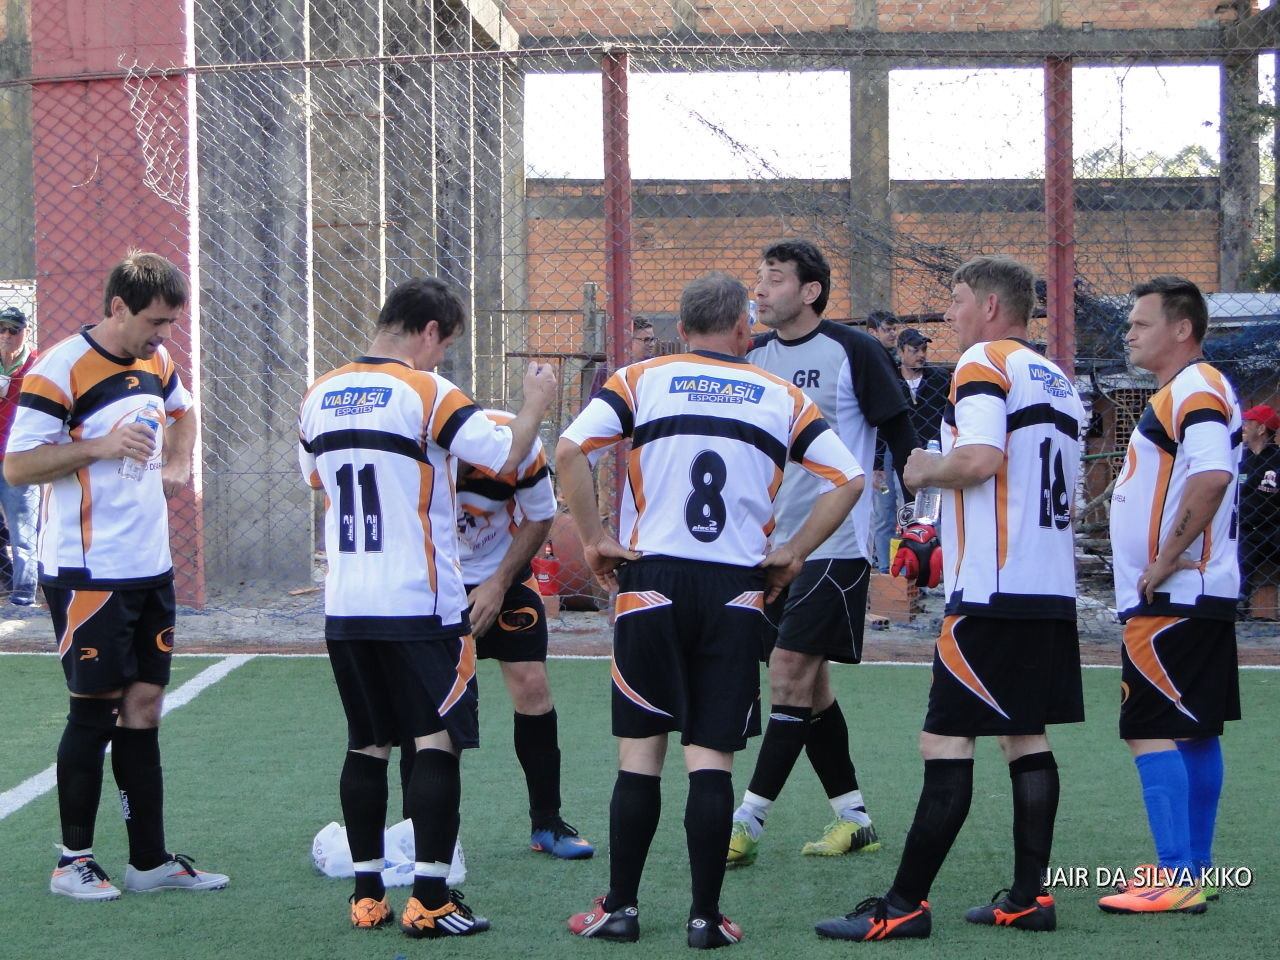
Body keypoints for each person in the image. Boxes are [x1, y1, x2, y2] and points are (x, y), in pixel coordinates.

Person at [557, 272, 864, 948]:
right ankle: (705, 918)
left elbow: (570, 450)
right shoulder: (782, 395)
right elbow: (849, 479)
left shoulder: (640, 379)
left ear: (682, 327)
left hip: (651, 582)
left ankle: (621, 908)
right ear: (743, 330)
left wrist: (594, 537)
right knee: (711, 758)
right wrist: (794, 551)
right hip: (735, 588)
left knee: (640, 754)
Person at [815, 255, 1085, 941]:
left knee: (944, 739)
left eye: (958, 298)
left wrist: (922, 469)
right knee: (1025, 735)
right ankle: (1029, 897)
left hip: (993, 589)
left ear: (991, 306)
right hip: (1048, 585)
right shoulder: (1057, 378)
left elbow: (980, 460)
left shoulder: (984, 361)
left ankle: (904, 905)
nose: (949, 313)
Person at [297, 277, 557, 938]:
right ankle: (432, 899)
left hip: (347, 602)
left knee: (367, 743)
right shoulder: (426, 391)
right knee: (435, 741)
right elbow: (507, 452)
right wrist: (535, 403)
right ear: (430, 330)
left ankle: (367, 895)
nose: (442, 359)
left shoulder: (318, 394)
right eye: (445, 346)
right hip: (420, 601)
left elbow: (317, 479)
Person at [5, 251, 227, 900]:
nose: (163, 335)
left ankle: (149, 862)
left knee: (145, 705)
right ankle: (72, 862)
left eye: (171, 323)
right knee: (95, 708)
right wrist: (100, 446)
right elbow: (17, 466)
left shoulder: (156, 360)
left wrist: (179, 465)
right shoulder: (59, 368)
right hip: (87, 571)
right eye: (155, 321)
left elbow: (185, 411)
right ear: (118, 307)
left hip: (148, 567)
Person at [728, 241, 915, 866]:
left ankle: (746, 822)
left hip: (835, 544)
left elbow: (901, 432)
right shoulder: (752, 358)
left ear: (810, 291)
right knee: (811, 688)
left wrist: (915, 503)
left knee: (787, 674)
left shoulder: (853, 350)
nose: (760, 289)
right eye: (759, 277)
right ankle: (854, 819)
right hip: (767, 547)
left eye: (775, 278)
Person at [1097, 277, 1241, 916]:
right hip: (1195, 593)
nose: (1128, 333)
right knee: (1194, 732)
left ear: (1181, 329)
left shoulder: (1195, 387)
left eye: (1141, 323)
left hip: (1174, 598)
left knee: (1150, 731)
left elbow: (1211, 476)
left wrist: (1163, 557)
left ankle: (1178, 876)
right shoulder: (1190, 388)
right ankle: (1193, 869)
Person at [449, 409, 594, 859]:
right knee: (442, 704)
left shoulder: (519, 440)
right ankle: (431, 832)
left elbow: (541, 515)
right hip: (440, 582)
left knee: (533, 686)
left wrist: (497, 583)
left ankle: (546, 823)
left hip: (506, 575)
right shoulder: (423, 442)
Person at [0, 305, 40, 605]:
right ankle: (5, 581)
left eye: (14, 330)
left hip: (19, 456)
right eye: (1, 329)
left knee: (22, 528)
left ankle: (24, 593)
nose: (6, 335)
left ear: (25, 332)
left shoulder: (36, 364)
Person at [866, 310, 903, 572]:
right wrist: (877, 462)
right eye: (887, 329)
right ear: (873, 332)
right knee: (882, 510)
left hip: (894, 443)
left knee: (902, 508)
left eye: (894, 329)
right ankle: (883, 572)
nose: (892, 334)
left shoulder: (896, 363)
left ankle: (904, 570)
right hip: (874, 445)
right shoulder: (867, 360)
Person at [1237, 403, 1280, 616]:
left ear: (1262, 429)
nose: (1244, 426)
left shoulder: (1277, 459)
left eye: (1249, 422)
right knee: (1239, 559)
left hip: (1274, 527)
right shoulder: (1240, 458)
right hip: (1246, 530)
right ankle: (1238, 604)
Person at [896, 328, 950, 452]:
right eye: (915, 349)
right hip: (900, 451)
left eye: (924, 349)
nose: (921, 354)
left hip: (935, 450)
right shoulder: (891, 379)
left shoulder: (940, 378)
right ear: (900, 351)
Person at [588, 318, 656, 400]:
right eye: (646, 340)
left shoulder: (654, 366)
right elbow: (595, 400)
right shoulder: (608, 368)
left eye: (652, 339)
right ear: (629, 340)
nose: (652, 344)